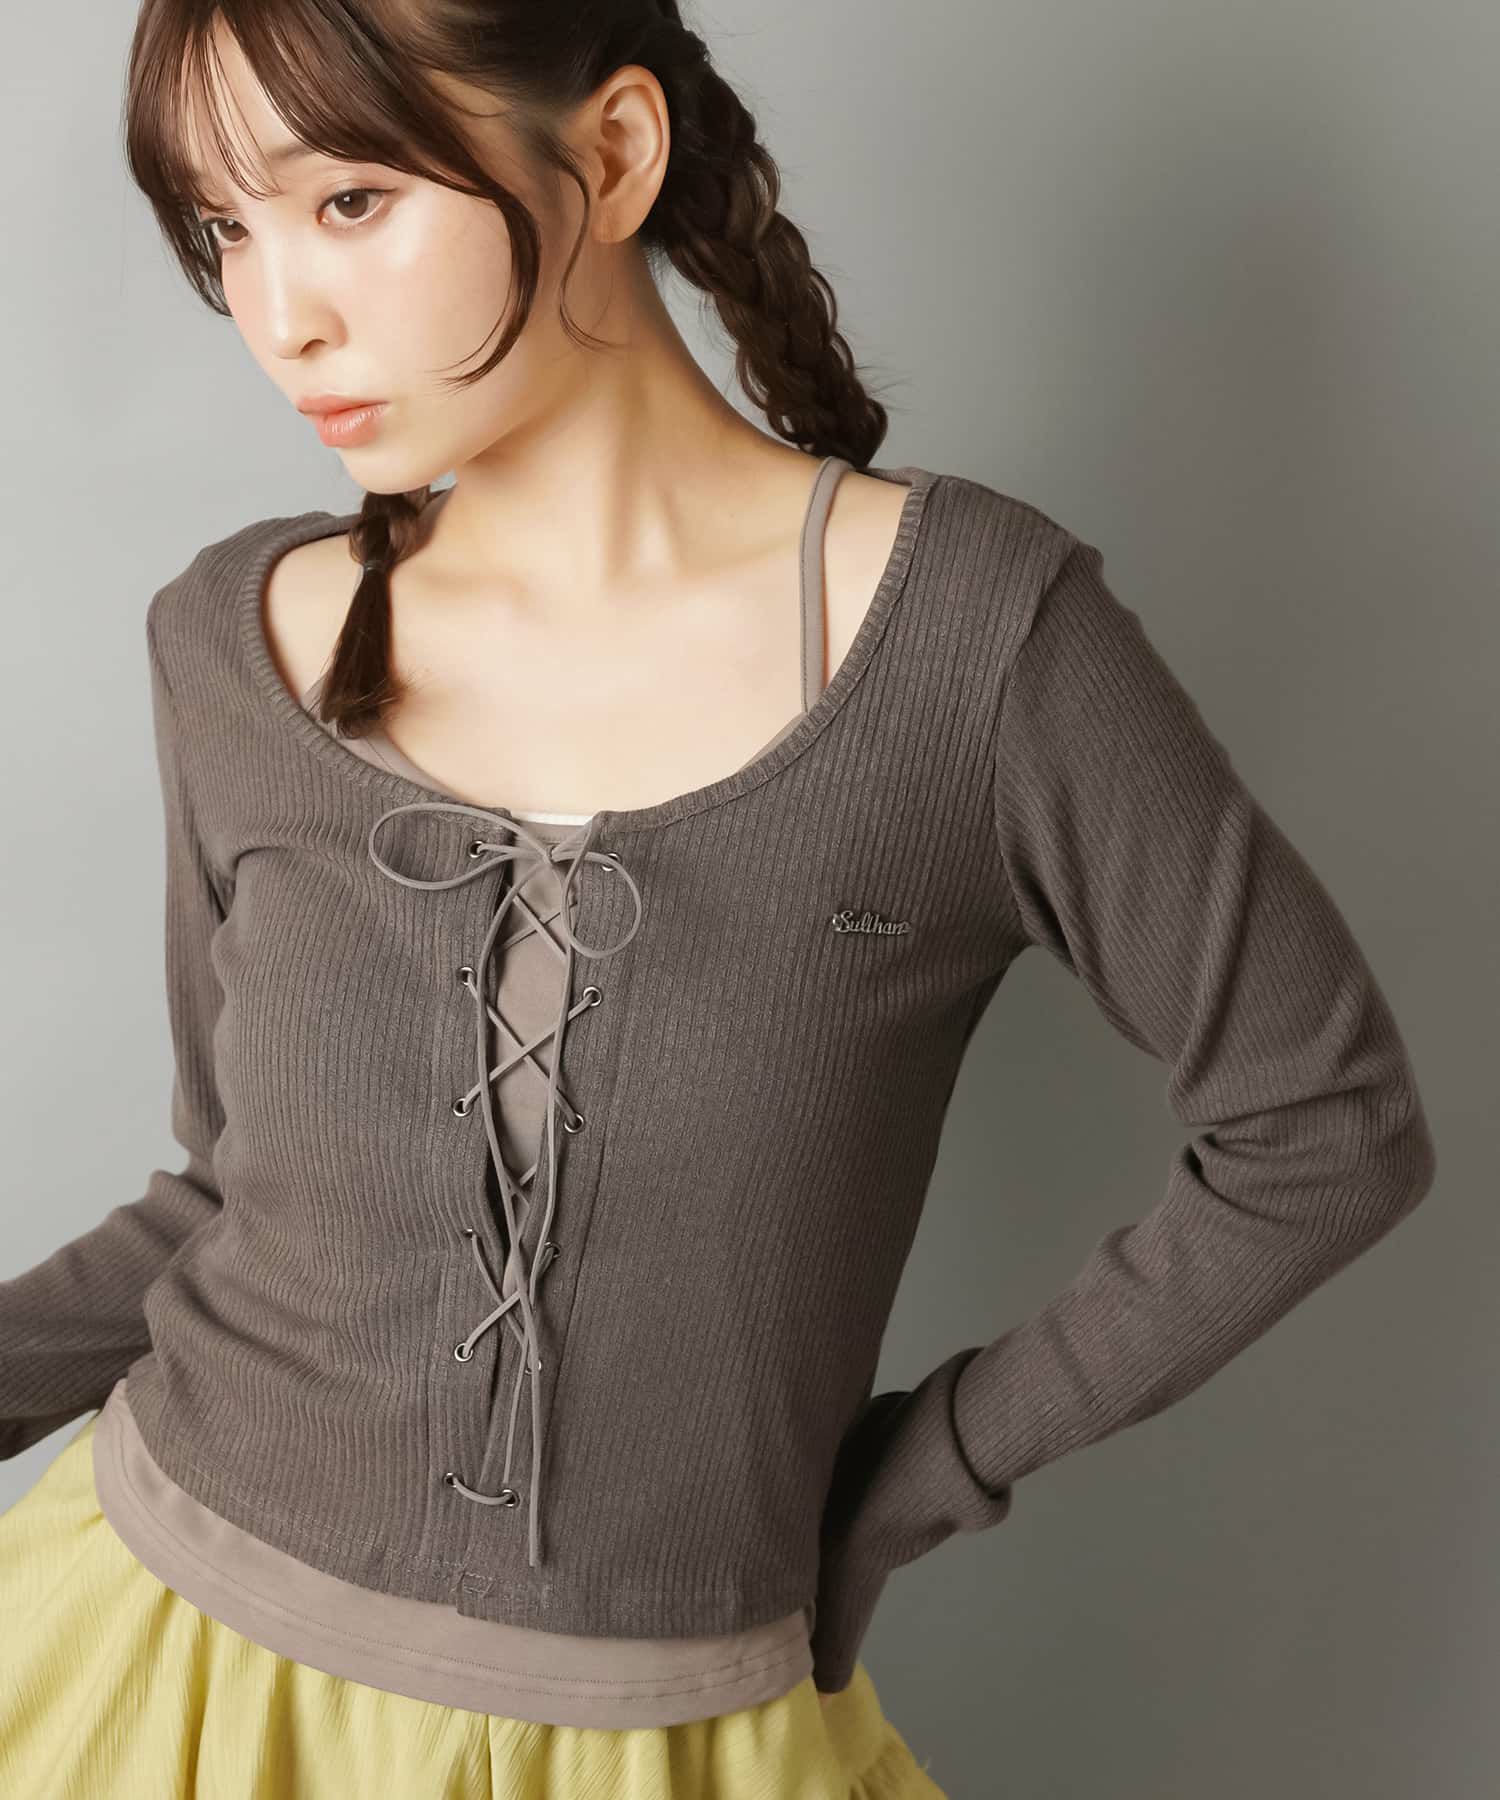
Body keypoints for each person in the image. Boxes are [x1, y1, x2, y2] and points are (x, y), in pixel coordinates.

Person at [0, 2, 1436, 1795]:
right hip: (156, 1668)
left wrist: (929, 1467)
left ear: (610, 154)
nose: (275, 313)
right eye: (225, 227)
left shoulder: (974, 646)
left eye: (352, 200)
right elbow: (229, 1191)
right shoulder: (238, 641)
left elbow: (1325, 1128)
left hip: (670, 1736)